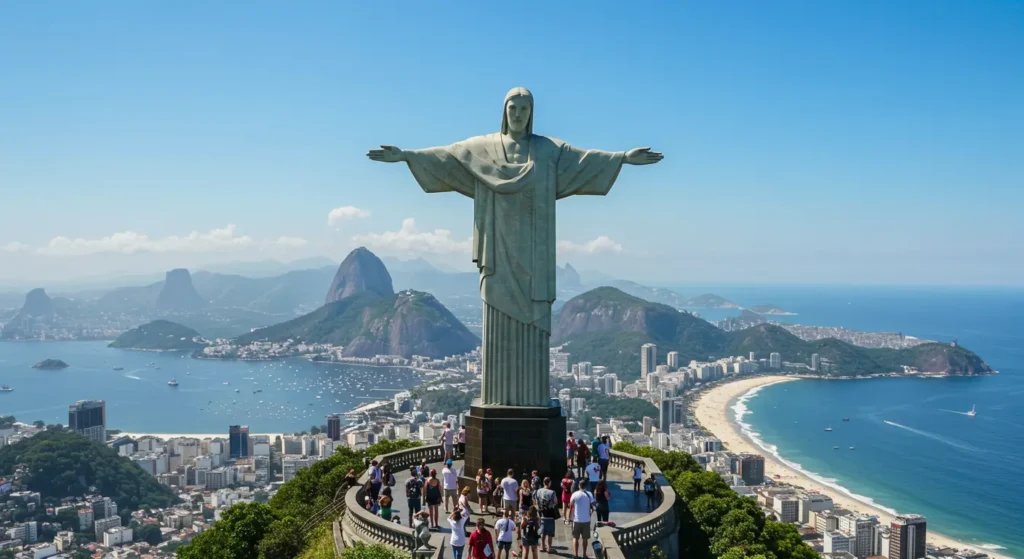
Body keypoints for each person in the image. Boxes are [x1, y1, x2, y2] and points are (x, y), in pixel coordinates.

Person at [568, 481, 595, 559]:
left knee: (575, 538)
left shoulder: (575, 494)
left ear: (579, 486)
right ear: (586, 486)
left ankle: (576, 555)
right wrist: (589, 514)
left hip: (576, 519)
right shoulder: (589, 494)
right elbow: (593, 507)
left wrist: (569, 518)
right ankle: (584, 555)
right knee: (585, 539)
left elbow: (571, 506)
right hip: (586, 520)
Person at [535, 477, 559, 553]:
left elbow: (536, 501)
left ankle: (542, 547)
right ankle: (549, 548)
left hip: (541, 514)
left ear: (543, 482)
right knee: (550, 533)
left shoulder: (538, 491)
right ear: (549, 483)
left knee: (543, 532)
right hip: (550, 515)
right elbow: (555, 502)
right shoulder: (552, 492)